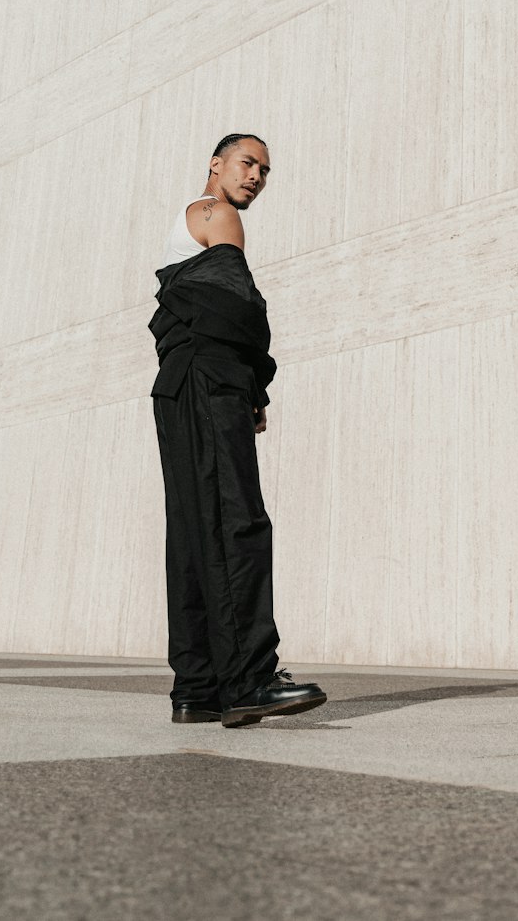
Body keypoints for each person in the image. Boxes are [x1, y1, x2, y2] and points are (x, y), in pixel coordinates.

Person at [148, 133, 327, 729]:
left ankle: (197, 688)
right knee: (236, 519)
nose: (256, 177)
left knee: (193, 529)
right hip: (209, 378)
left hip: (177, 385)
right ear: (215, 165)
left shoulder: (183, 222)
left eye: (266, 170)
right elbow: (240, 305)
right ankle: (249, 679)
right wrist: (253, 386)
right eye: (248, 163)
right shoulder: (216, 212)